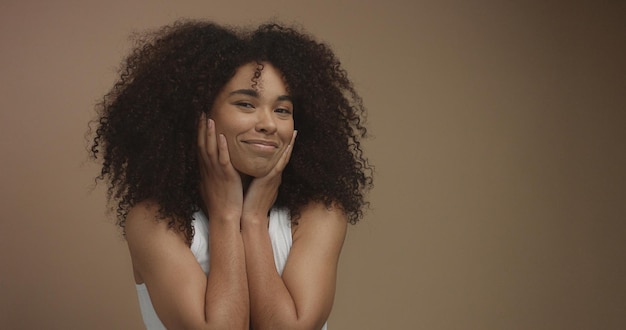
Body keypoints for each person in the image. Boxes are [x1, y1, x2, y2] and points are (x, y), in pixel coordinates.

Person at [91, 19, 372, 329]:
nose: (268, 123)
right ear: (198, 115)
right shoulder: (155, 221)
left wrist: (252, 221)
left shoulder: (319, 214)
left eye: (282, 110)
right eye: (245, 104)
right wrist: (226, 216)